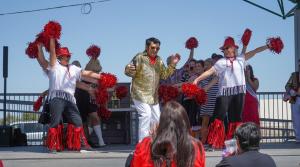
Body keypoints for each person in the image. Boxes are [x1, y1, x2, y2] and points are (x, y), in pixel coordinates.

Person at [193, 36, 270, 149]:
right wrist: (197, 79)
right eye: (223, 49)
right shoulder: (221, 62)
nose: (224, 50)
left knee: (236, 119)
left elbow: (255, 51)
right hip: (224, 93)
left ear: (233, 48)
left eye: (226, 48)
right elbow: (210, 72)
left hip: (239, 93)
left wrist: (268, 46)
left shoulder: (241, 59)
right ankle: (214, 142)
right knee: (219, 117)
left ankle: (233, 144)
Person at [36, 38, 102, 152]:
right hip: (56, 97)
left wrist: (104, 78)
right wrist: (50, 39)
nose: (66, 58)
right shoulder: (54, 66)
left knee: (77, 121)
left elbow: (87, 73)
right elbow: (48, 57)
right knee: (55, 121)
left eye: (68, 56)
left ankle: (80, 144)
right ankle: (53, 145)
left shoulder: (73, 68)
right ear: (59, 57)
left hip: (70, 99)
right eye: (64, 56)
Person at [125, 37, 180, 142]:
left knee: (158, 119)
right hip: (140, 93)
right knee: (146, 114)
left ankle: (154, 142)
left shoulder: (159, 60)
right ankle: (142, 145)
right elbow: (129, 71)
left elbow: (164, 75)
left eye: (158, 48)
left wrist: (173, 64)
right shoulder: (139, 57)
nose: (155, 50)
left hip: (153, 96)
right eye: (153, 48)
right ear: (147, 47)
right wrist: (128, 69)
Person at [130, 101, 205, 167]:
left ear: (161, 123)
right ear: (185, 123)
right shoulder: (195, 146)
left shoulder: (146, 144)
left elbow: (136, 163)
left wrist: (152, 137)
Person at [285, 63, 300, 143]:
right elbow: (287, 85)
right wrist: (290, 91)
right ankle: (298, 138)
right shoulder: (294, 75)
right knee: (296, 119)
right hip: (295, 99)